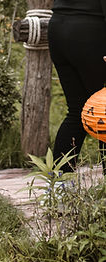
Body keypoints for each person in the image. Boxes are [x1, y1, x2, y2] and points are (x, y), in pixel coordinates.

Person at [48, 0, 106, 173]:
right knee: (104, 109)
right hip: (90, 32)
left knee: (77, 110)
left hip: (59, 27)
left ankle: (58, 185)